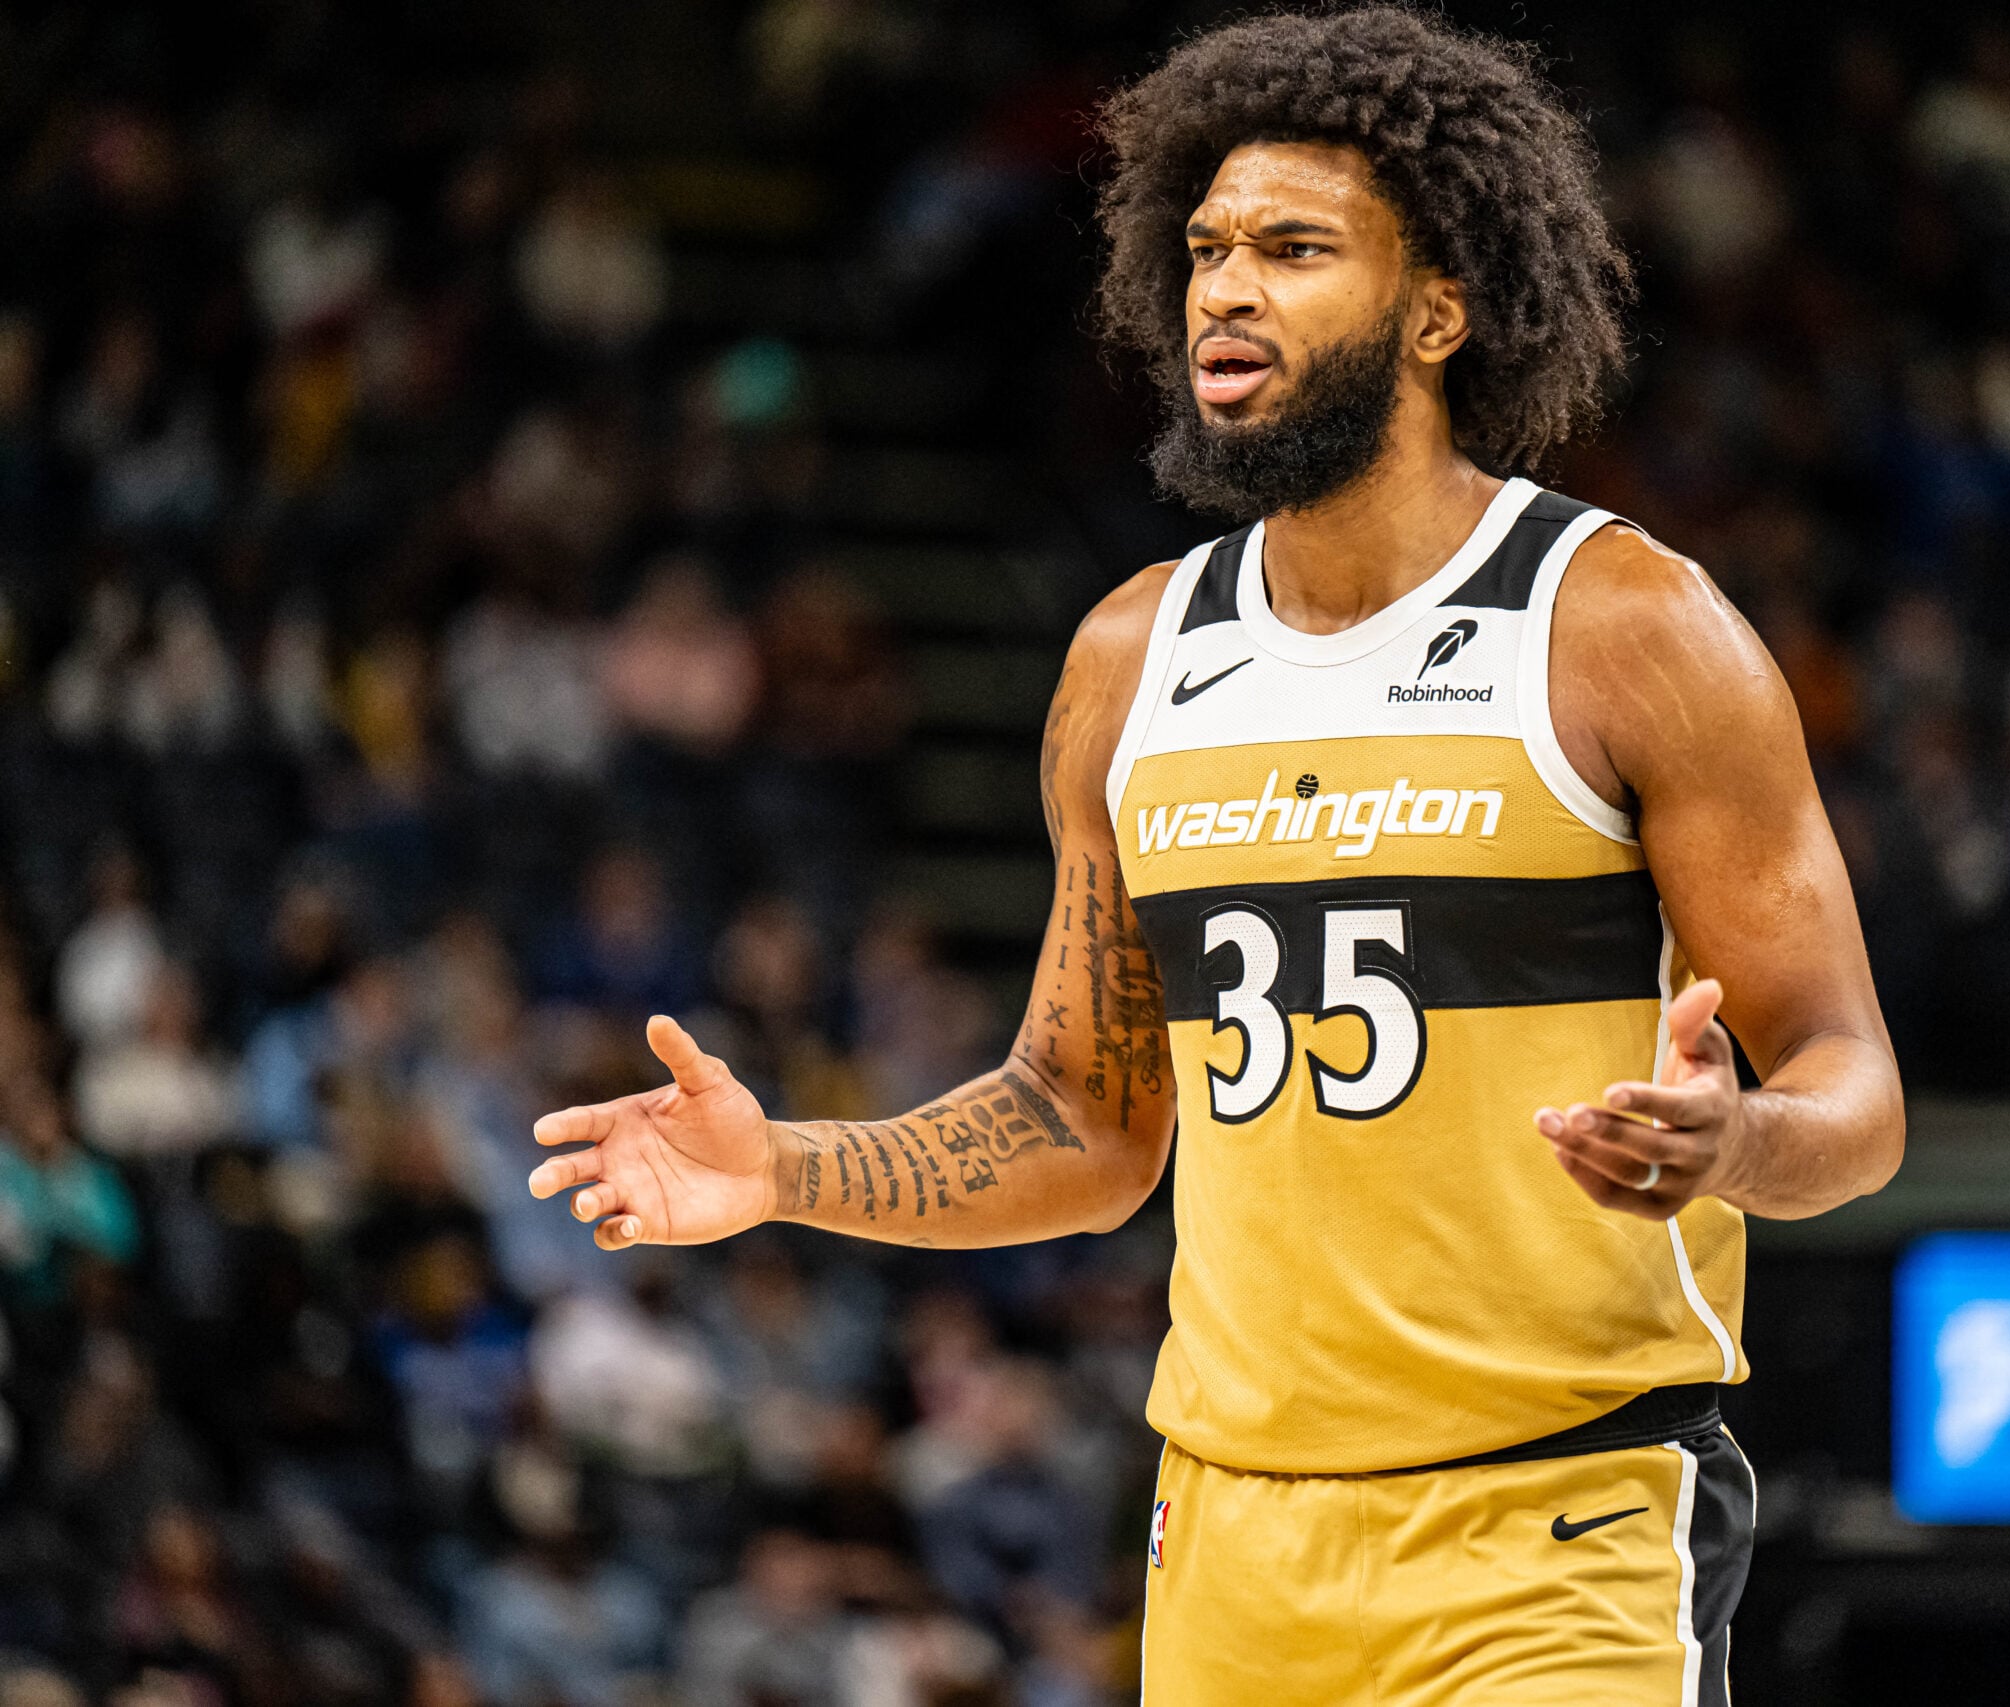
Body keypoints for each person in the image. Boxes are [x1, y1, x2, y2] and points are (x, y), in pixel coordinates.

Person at [528, 10, 1903, 1701]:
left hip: (1556, 1542)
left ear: (1439, 309)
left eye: (1295, 248)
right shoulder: (1132, 660)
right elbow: (1088, 1120)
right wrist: (784, 1170)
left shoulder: (1623, 629)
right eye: (1204, 249)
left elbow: (1856, 1094)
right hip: (1231, 1550)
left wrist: (1733, 1140)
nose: (1223, 291)